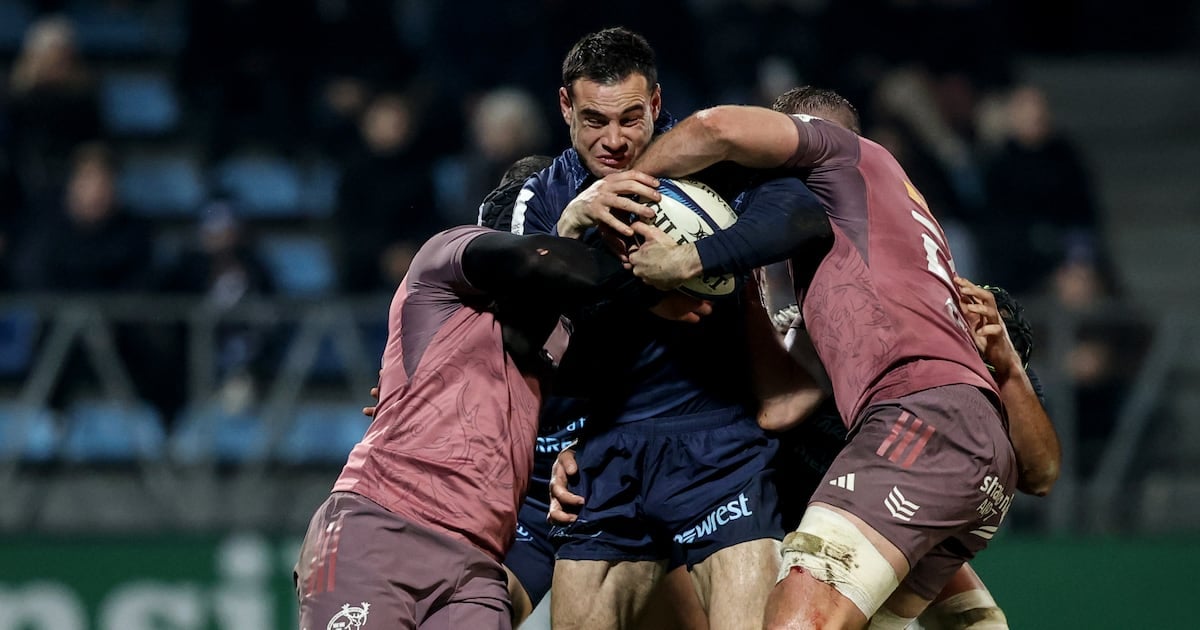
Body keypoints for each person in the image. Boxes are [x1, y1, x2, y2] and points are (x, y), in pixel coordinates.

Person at [624, 90, 1023, 628]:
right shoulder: (873, 241)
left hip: (918, 422)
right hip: (972, 451)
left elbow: (715, 127)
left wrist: (621, 192)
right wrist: (743, 284)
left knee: (800, 617)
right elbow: (783, 407)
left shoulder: (844, 154)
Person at [515, 27, 822, 630]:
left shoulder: (713, 158)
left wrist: (694, 261)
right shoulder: (543, 198)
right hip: (605, 451)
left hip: (717, 443)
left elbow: (802, 215)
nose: (615, 141)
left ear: (656, 104)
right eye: (595, 121)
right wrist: (582, 239)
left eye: (632, 118)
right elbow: (523, 328)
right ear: (564, 108)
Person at [293, 216, 695, 628]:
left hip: (476, 563)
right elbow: (539, 262)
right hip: (382, 527)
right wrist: (667, 273)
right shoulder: (444, 257)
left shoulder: (558, 335)